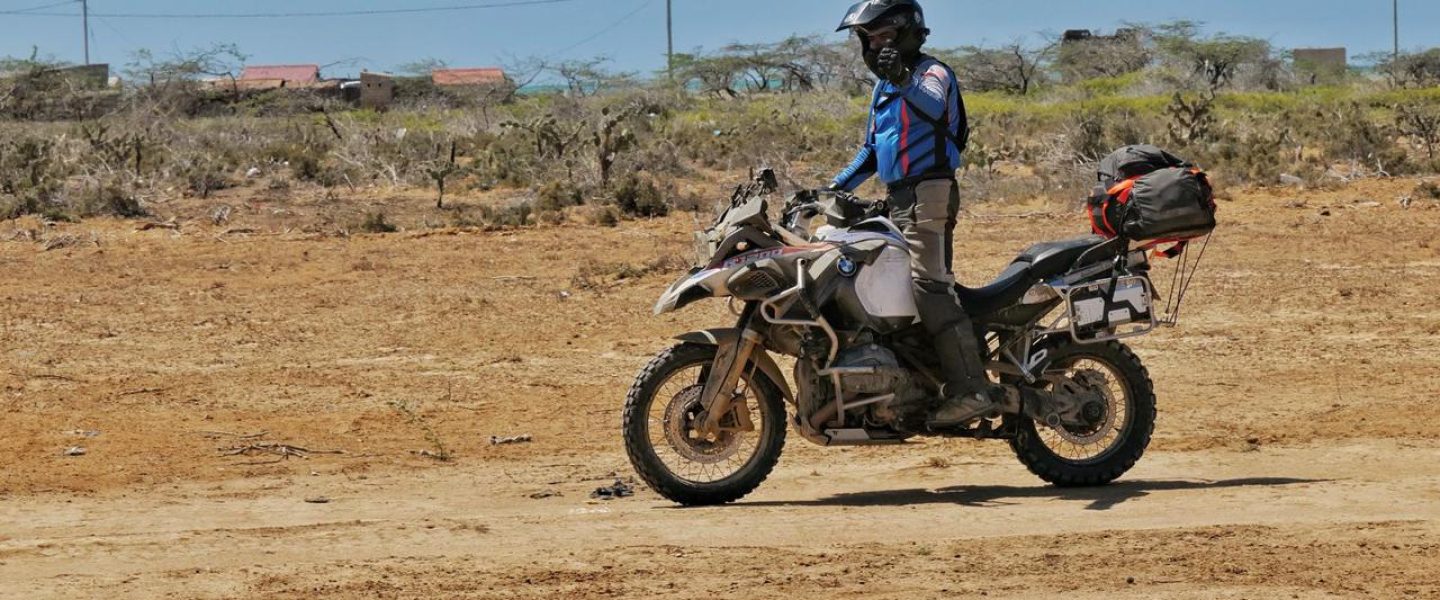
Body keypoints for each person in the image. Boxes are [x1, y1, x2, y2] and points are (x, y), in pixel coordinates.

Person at [831, 0, 1000, 427]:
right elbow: (871, 150)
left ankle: (972, 389)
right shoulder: (882, 89)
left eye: (882, 37)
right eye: (868, 40)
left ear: (907, 32)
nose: (874, 48)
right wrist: (831, 188)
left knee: (929, 286)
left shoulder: (933, 73)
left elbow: (930, 105)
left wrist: (903, 77)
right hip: (897, 197)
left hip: (931, 192)